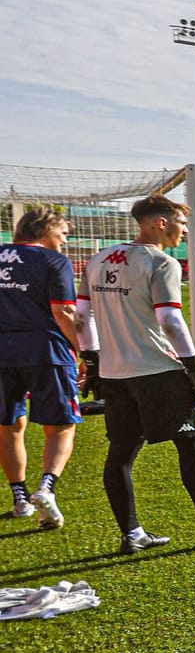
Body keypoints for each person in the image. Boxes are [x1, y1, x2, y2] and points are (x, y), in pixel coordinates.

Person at [79, 195, 195, 553]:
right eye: (181, 222)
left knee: (120, 453)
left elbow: (81, 317)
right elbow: (170, 320)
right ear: (159, 223)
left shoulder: (98, 260)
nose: (185, 230)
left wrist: (92, 364)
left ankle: (131, 535)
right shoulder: (161, 262)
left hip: (115, 374)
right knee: (194, 446)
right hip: (157, 371)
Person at [1, 207, 83, 528]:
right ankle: (45, 488)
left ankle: (20, 498)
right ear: (46, 230)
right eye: (62, 233)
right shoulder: (53, 261)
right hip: (46, 350)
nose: (65, 240)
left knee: (8, 426)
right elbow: (63, 311)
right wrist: (85, 351)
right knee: (61, 425)